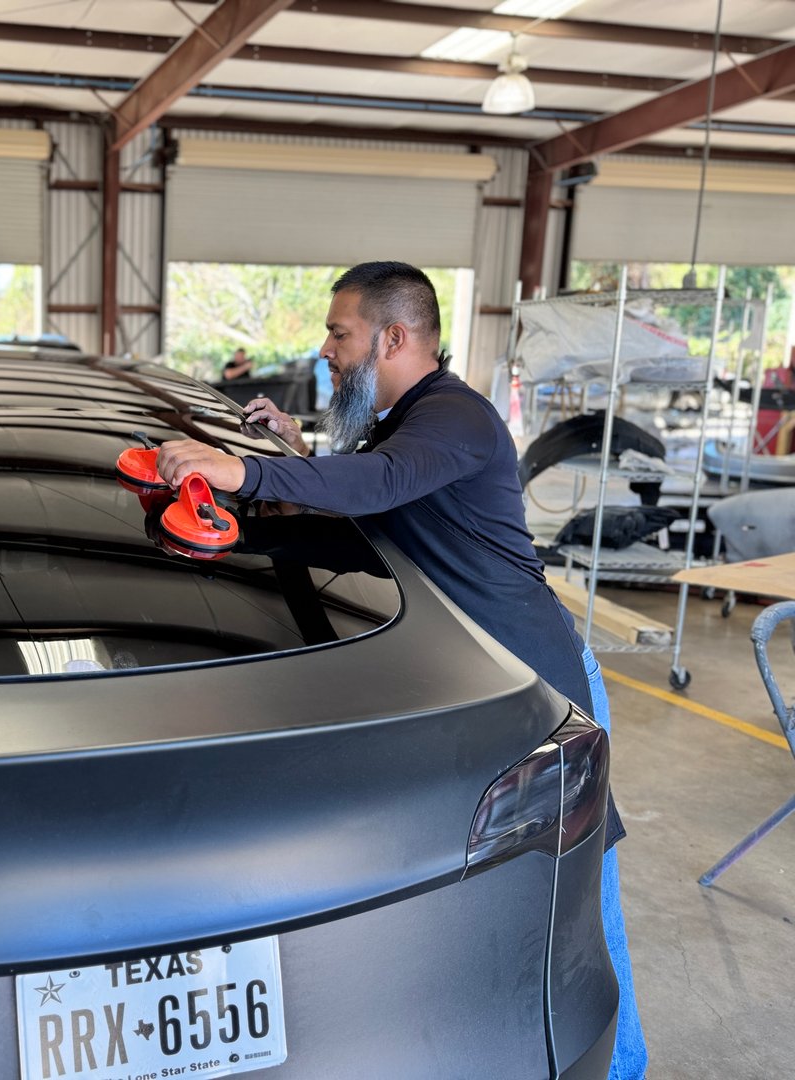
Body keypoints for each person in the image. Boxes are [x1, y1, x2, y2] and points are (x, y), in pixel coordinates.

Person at [158, 261, 647, 1080]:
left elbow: (380, 483)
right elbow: (365, 528)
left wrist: (244, 469)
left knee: (574, 906)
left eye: (338, 333)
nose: (325, 351)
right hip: (474, 684)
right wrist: (236, 531)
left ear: (393, 337)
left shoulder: (458, 419)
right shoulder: (401, 427)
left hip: (543, 683)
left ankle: (623, 1069)